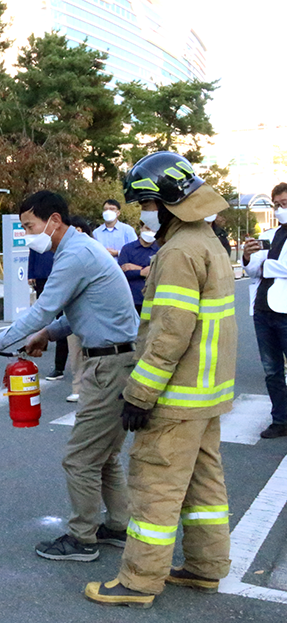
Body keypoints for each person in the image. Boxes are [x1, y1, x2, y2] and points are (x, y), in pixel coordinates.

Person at [85, 151, 236, 609]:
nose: (143, 214)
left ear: (167, 202)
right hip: (207, 395)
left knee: (155, 488)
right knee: (204, 486)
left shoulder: (177, 253)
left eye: (146, 204)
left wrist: (139, 394)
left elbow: (169, 332)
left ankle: (138, 581)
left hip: (175, 397)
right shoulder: (208, 241)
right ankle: (205, 568)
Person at [0, 191, 139, 562]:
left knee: (80, 459)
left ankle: (82, 539)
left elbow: (42, 309)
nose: (28, 235)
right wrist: (49, 334)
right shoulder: (78, 250)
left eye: (30, 226)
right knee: (104, 455)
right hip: (114, 359)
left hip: (110, 365)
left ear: (54, 220)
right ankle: (118, 526)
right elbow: (84, 309)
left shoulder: (76, 254)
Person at [242, 182, 287, 439]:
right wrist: (248, 257)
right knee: (272, 370)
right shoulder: (270, 235)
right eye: (277, 205)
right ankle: (280, 420)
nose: (280, 209)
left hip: (285, 311)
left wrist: (265, 266)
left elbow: (273, 267)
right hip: (263, 309)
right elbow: (252, 271)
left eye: (285, 204)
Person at [27, 248, 69, 383]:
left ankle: (59, 367)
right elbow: (33, 253)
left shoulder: (65, 243)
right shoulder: (38, 241)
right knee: (44, 315)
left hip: (59, 277)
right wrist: (31, 273)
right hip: (42, 276)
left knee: (62, 322)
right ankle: (42, 341)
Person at [64, 215, 91, 403]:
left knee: (92, 354)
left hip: (93, 315)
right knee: (75, 353)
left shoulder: (93, 253)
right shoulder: (64, 255)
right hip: (73, 313)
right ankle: (77, 387)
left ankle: (90, 387)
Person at [118, 218, 160, 315]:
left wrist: (137, 268)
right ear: (141, 228)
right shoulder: (127, 249)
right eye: (147, 228)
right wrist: (142, 272)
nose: (150, 232)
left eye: (154, 230)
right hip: (131, 299)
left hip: (152, 299)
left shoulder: (160, 250)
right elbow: (121, 273)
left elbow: (160, 271)